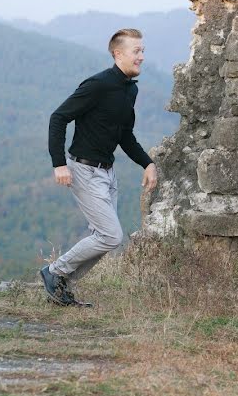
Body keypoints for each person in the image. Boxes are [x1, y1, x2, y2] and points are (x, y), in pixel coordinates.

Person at [40, 28, 158, 306]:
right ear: (118, 54)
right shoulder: (98, 85)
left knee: (102, 237)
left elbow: (124, 135)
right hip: (83, 170)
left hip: (107, 173)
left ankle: (61, 286)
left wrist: (147, 162)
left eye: (142, 50)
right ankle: (54, 272)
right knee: (110, 236)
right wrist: (59, 164)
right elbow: (58, 118)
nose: (142, 56)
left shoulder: (130, 89)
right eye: (136, 51)